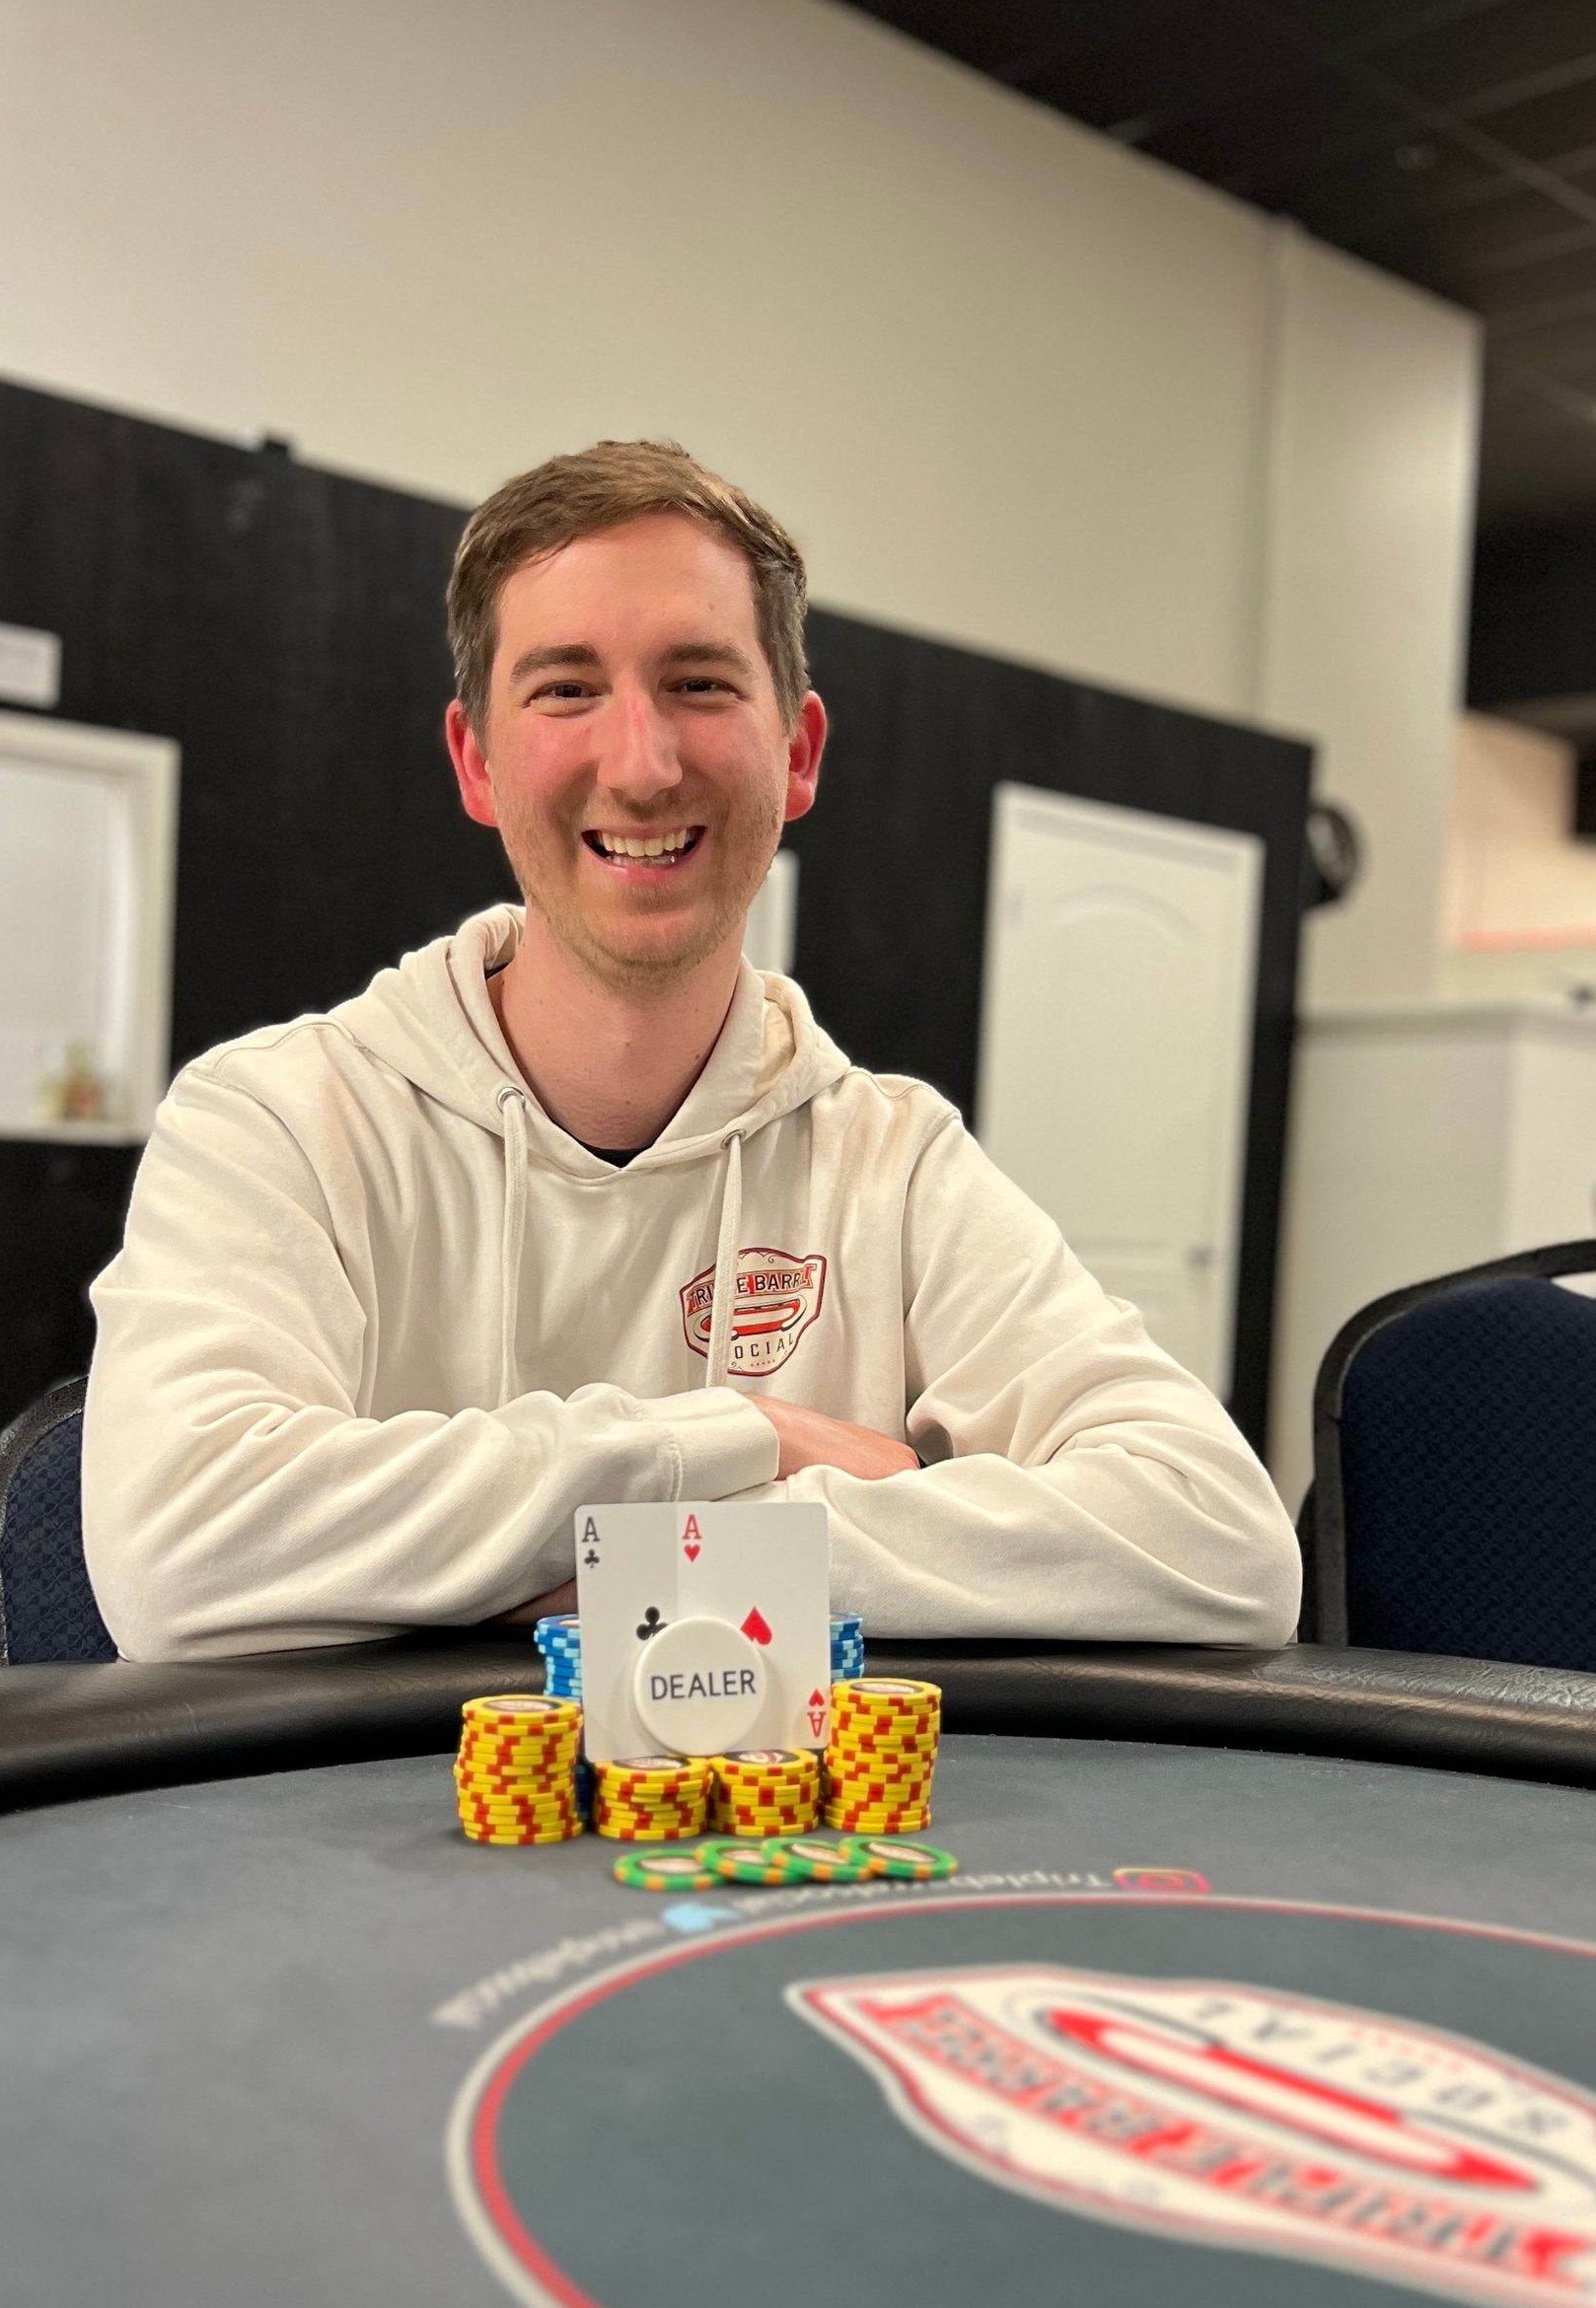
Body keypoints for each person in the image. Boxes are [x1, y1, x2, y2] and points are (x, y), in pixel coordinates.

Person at [82, 439, 1300, 1658]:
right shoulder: (280, 1120)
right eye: (565, 689)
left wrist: (593, 1565)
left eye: (701, 684)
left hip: (789, 1850)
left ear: (799, 752)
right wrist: (753, 1438)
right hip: (358, 1843)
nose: (643, 764)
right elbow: (179, 1554)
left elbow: (1222, 1544)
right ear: (476, 762)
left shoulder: (894, 1158)